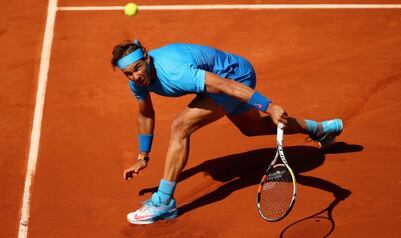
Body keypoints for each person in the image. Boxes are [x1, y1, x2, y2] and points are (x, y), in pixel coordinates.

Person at [111, 39, 343, 224]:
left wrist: (270, 106)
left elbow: (226, 86)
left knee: (180, 126)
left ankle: (163, 201)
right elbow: (145, 114)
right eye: (129, 74)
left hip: (234, 77)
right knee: (254, 128)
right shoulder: (137, 79)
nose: (135, 77)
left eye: (138, 69)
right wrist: (143, 157)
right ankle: (321, 129)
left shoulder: (176, 72)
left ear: (147, 57)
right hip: (224, 78)